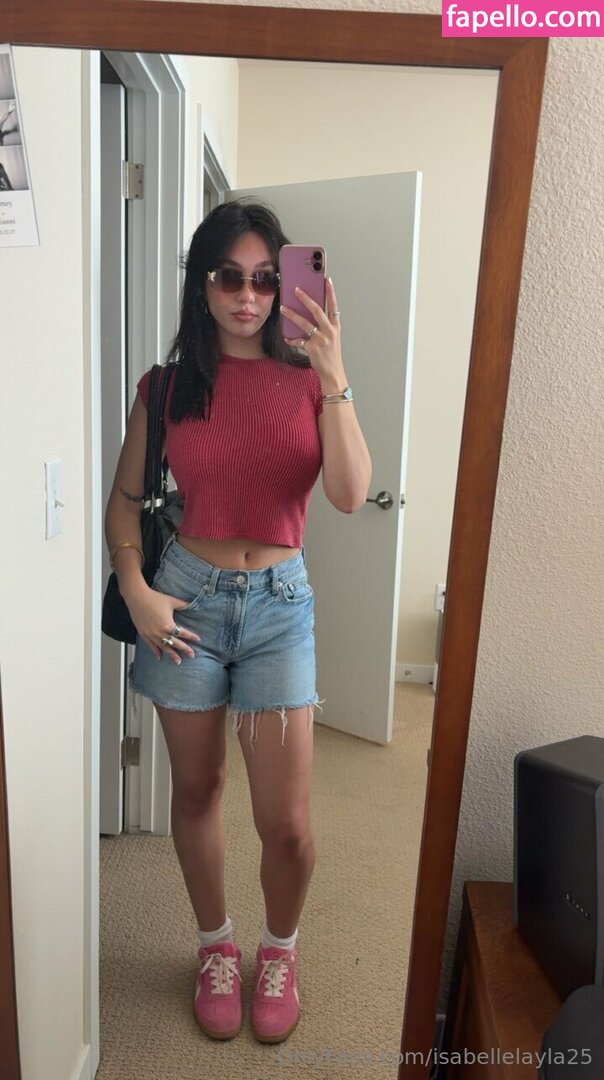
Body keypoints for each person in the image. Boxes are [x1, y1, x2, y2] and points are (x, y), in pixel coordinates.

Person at [104, 199, 372, 1045]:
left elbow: (350, 494)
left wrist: (334, 371)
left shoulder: (310, 383)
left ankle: (279, 951)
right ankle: (216, 946)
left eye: (264, 278)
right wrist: (135, 587)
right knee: (196, 791)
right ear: (203, 285)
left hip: (279, 609)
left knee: (285, 823)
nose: (249, 296)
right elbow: (123, 501)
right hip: (183, 602)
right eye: (229, 277)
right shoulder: (166, 388)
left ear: (284, 285)